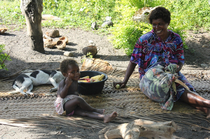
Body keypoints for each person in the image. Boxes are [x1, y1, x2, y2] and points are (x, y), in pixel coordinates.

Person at [113, 7, 210, 118]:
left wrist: (175, 69)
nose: (157, 27)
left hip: (171, 72)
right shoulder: (144, 40)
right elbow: (133, 61)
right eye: (154, 24)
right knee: (176, 90)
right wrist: (124, 81)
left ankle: (206, 109)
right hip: (151, 77)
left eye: (160, 24)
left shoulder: (176, 39)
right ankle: (207, 104)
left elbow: (180, 61)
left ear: (167, 23)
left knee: (185, 88)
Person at [54, 59, 117, 123]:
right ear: (65, 74)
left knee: (85, 113)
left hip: (72, 105)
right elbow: (61, 96)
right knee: (78, 100)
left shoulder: (75, 80)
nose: (77, 73)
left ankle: (104, 117)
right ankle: (94, 109)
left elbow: (74, 92)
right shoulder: (64, 82)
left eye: (77, 71)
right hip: (64, 106)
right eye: (73, 72)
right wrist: (67, 86)